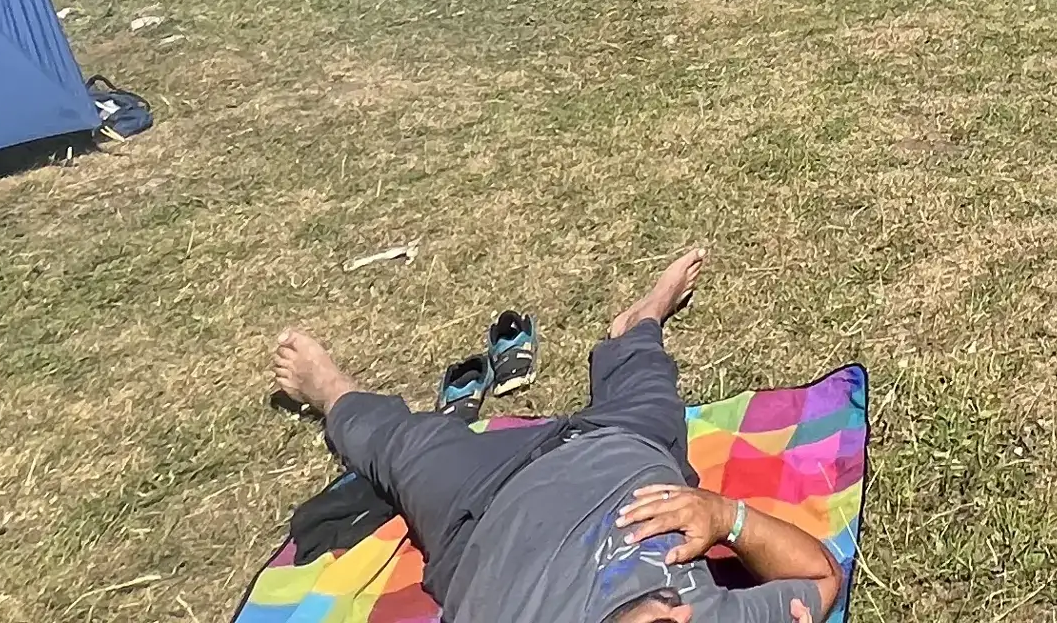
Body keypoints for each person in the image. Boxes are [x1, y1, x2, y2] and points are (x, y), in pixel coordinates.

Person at [270, 247, 840, 623]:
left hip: (479, 503)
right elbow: (820, 575)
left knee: (398, 446)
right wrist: (725, 519)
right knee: (647, 381)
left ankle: (328, 388)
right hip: (625, 447)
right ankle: (639, 323)